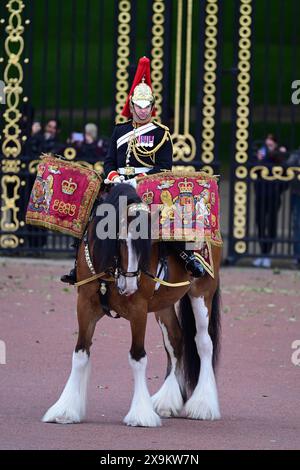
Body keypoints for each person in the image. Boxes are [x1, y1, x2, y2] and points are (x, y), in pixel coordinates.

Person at [61, 57, 205, 284]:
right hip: (119, 186)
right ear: (132, 105)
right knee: (93, 214)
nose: (143, 111)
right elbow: (109, 161)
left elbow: (164, 167)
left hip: (147, 188)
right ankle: (78, 265)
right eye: (139, 106)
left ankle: (187, 256)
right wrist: (114, 176)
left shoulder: (160, 133)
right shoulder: (120, 131)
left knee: (170, 216)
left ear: (152, 106)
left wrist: (140, 179)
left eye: (147, 106)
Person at [252, 133, 288, 268]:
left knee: (271, 225)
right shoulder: (260, 155)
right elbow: (251, 170)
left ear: (276, 143)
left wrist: (279, 189)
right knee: (260, 224)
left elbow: (286, 174)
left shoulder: (279, 156)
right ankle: (262, 253)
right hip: (261, 195)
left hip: (274, 196)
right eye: (267, 141)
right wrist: (259, 159)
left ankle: (266, 254)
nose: (269, 143)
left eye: (272, 141)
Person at [287, 149, 300, 267]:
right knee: (297, 225)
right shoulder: (296, 154)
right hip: (298, 194)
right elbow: (288, 166)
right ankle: (297, 256)